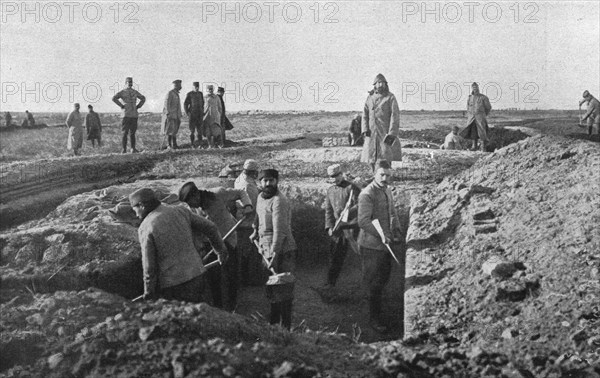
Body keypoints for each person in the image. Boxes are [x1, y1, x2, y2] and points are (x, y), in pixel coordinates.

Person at [129, 188, 228, 303]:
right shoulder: (180, 210)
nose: (136, 215)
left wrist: (149, 292)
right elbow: (210, 227)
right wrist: (221, 251)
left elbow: (149, 266)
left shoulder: (146, 227)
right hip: (198, 274)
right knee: (204, 315)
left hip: (174, 286)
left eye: (135, 209)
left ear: (141, 205)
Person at [179, 181, 253, 311]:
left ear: (196, 195)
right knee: (213, 277)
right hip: (211, 243)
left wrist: (247, 205)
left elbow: (241, 192)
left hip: (229, 239)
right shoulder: (193, 208)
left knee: (231, 274)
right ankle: (218, 308)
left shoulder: (218, 194)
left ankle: (232, 307)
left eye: (191, 202)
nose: (190, 206)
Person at [357, 160, 405, 334]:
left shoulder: (387, 190)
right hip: (371, 246)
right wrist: (382, 235)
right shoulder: (367, 194)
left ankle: (377, 312)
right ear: (374, 174)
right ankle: (373, 320)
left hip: (385, 244)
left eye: (387, 175)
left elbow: (392, 212)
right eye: (381, 175)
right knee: (374, 283)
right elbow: (362, 221)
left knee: (383, 279)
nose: (385, 178)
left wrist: (397, 229)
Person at [250, 169, 297, 329]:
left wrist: (275, 254)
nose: (268, 184)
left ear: (277, 181)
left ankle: (285, 327)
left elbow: (280, 231)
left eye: (271, 180)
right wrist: (255, 230)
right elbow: (257, 215)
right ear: (260, 182)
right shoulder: (260, 197)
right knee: (272, 287)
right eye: (265, 181)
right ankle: (274, 323)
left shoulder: (279, 201)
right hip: (266, 248)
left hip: (282, 250)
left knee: (283, 288)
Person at [322, 164, 361, 289]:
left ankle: (362, 284)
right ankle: (330, 284)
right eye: (332, 177)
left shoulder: (351, 188)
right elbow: (328, 210)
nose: (335, 179)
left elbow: (361, 205)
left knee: (359, 254)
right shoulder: (330, 191)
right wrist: (329, 227)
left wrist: (348, 213)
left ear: (341, 174)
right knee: (335, 257)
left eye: (337, 176)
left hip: (352, 227)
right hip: (338, 229)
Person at [361, 74, 402, 172]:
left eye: (382, 83)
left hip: (385, 130)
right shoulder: (370, 98)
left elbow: (395, 115)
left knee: (386, 153)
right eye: (378, 83)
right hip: (372, 131)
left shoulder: (390, 97)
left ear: (385, 84)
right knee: (370, 154)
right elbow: (365, 114)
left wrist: (392, 133)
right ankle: (373, 173)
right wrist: (365, 129)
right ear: (374, 85)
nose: (380, 85)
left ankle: (386, 173)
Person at [234, 159, 265, 286]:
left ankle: (244, 279)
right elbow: (255, 206)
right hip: (248, 223)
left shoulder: (240, 179)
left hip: (240, 220)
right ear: (252, 172)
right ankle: (250, 281)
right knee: (250, 253)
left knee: (243, 252)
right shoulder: (249, 186)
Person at [112, 77, 146, 153]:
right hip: (126, 114)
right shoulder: (123, 92)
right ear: (126, 83)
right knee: (125, 132)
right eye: (128, 82)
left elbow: (143, 98)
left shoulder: (134, 92)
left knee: (132, 132)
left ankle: (132, 148)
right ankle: (124, 149)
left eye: (131, 82)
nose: (130, 84)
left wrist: (138, 106)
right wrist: (121, 105)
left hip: (133, 114)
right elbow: (114, 98)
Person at [459, 82, 491, 151]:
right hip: (471, 118)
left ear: (478, 88)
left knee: (482, 132)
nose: (475, 89)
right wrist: (469, 114)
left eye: (476, 88)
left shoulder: (483, 97)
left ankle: (483, 147)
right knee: (473, 131)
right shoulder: (470, 98)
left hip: (480, 118)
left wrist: (483, 115)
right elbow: (468, 107)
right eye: (474, 88)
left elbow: (488, 108)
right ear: (472, 89)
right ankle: (474, 146)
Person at [161, 79, 183, 150]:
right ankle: (169, 145)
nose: (180, 86)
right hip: (171, 115)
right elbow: (166, 104)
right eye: (179, 85)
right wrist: (168, 113)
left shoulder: (176, 93)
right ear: (176, 85)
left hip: (176, 115)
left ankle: (175, 144)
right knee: (170, 130)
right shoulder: (170, 93)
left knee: (174, 130)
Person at [184, 81, 205, 147]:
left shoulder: (200, 94)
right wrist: (188, 113)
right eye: (195, 87)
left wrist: (202, 111)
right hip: (192, 115)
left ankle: (200, 144)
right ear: (193, 87)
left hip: (199, 115)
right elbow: (185, 104)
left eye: (198, 87)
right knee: (192, 131)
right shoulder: (190, 94)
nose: (197, 88)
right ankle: (192, 144)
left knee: (200, 131)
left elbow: (203, 103)